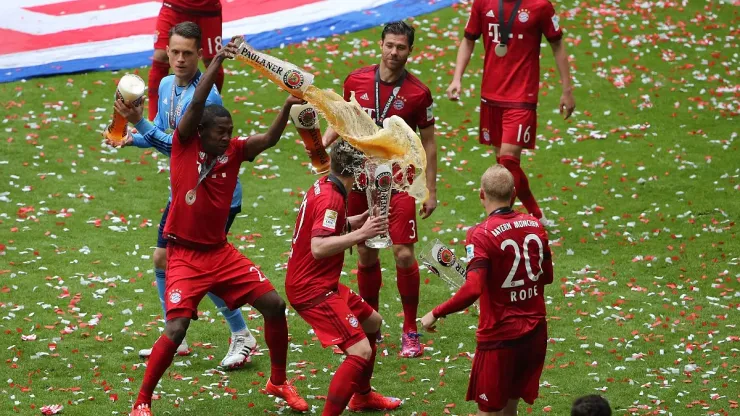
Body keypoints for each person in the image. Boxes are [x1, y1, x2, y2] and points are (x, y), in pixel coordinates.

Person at [128, 38, 308, 416]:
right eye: (220, 132)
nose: (227, 137)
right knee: (176, 329)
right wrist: (216, 62)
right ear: (200, 131)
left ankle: (278, 381)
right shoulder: (184, 145)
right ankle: (142, 401)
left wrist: (286, 108)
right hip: (185, 255)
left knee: (275, 306)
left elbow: (269, 140)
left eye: (230, 130)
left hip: (220, 253)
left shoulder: (235, 151)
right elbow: (196, 103)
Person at [110, 22, 255, 370]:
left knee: (205, 269)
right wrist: (133, 137)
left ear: (199, 55)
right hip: (186, 192)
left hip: (214, 196)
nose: (179, 59)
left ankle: (242, 334)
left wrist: (140, 125)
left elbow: (179, 147)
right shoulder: (165, 84)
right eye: (174, 52)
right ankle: (175, 337)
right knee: (162, 259)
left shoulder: (206, 98)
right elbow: (162, 130)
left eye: (187, 53)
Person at [319, 21, 437, 358]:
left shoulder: (419, 93)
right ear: (380, 45)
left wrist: (430, 189)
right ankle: (372, 325)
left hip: (399, 181)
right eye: (390, 45)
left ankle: (410, 328)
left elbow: (429, 142)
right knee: (367, 252)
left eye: (401, 47)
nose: (394, 52)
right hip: (359, 180)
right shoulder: (356, 80)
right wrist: (322, 145)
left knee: (403, 253)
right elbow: (342, 119)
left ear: (410, 51)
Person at [420, 165, 554, 416]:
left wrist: (435, 312)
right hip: (535, 333)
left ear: (481, 194)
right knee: (510, 407)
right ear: (514, 194)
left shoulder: (480, 235)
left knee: (489, 411)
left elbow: (473, 289)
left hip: (499, 337)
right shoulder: (535, 225)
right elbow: (547, 277)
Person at [286, 141, 402, 414]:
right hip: (311, 289)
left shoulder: (325, 185)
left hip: (319, 282)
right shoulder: (332, 199)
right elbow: (319, 247)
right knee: (361, 351)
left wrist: (355, 221)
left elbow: (324, 227)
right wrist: (362, 234)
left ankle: (362, 396)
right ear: (359, 172)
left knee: (372, 322)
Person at [446, 0, 576, 225]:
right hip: (491, 96)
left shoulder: (540, 6)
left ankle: (502, 221)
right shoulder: (482, 3)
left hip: (522, 97)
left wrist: (567, 89)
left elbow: (557, 45)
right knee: (506, 165)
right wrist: (457, 78)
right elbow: (468, 40)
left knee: (507, 161)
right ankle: (536, 215)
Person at [148, 0, 226, 121]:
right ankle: (154, 118)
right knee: (160, 56)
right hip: (174, 5)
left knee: (213, 62)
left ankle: (211, 114)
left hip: (207, 8)